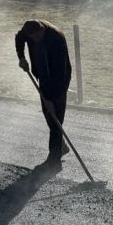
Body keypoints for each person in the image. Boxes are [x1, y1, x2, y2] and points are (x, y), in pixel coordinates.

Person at [15, 19, 72, 163]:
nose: (34, 40)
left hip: (59, 79)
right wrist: (21, 57)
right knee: (49, 115)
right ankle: (60, 145)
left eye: (37, 37)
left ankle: (54, 159)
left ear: (42, 30)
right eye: (31, 38)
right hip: (42, 75)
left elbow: (59, 74)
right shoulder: (29, 30)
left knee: (55, 116)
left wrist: (51, 99)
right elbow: (19, 37)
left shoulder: (56, 40)